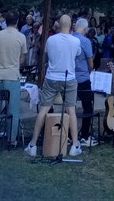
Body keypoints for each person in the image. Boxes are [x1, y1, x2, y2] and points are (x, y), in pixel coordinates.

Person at [24, 14, 82, 158]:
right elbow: (77, 55)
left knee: (43, 109)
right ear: (71, 25)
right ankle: (74, 145)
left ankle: (33, 144)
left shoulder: (51, 39)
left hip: (52, 77)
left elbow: (47, 53)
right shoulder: (75, 41)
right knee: (71, 110)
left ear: (58, 25)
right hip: (69, 77)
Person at [0, 10, 26, 149]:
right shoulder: (21, 37)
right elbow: (22, 57)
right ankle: (11, 139)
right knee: (13, 109)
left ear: (5, 21)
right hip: (12, 75)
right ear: (17, 21)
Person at [73, 17, 98, 147]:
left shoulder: (70, 38)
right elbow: (90, 62)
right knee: (87, 106)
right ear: (84, 28)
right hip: (83, 78)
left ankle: (69, 134)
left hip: (71, 77)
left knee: (69, 106)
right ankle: (84, 135)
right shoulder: (85, 41)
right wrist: (91, 70)